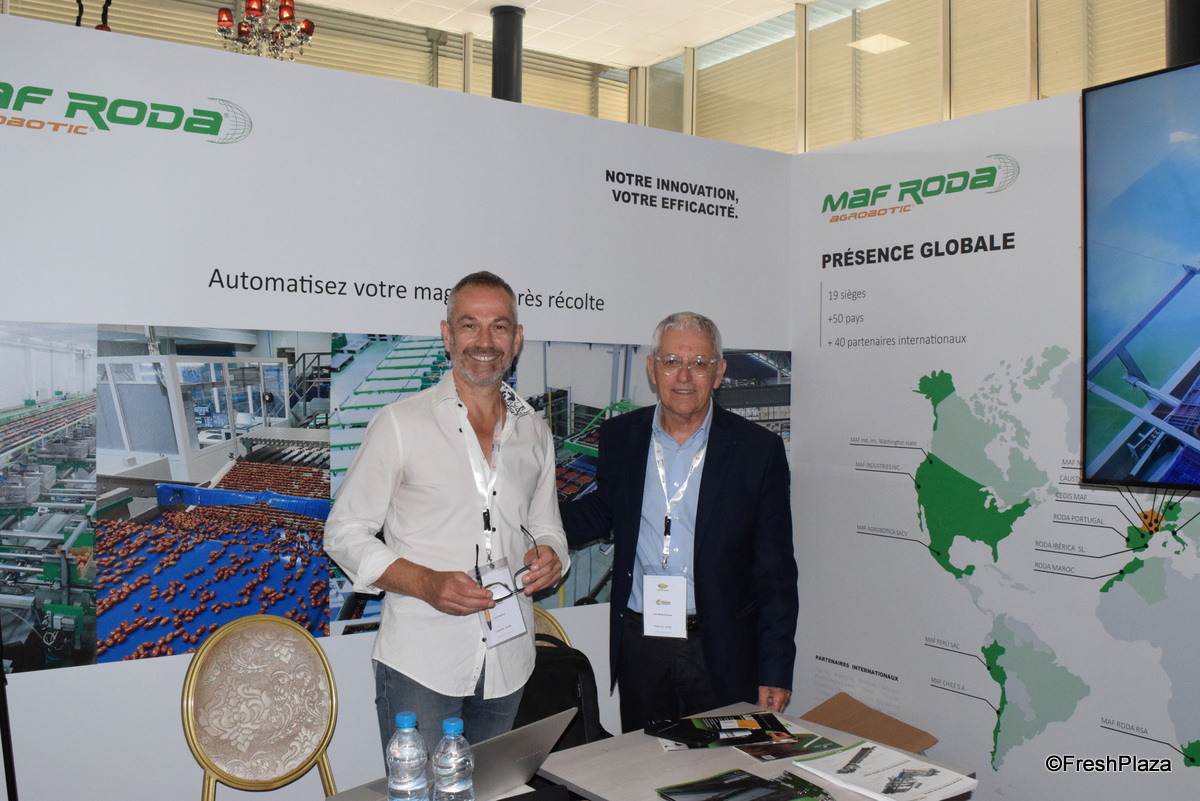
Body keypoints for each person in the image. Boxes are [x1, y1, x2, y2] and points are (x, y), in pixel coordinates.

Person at [324, 271, 569, 753]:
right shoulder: (399, 424)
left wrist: (551, 555)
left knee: (490, 785)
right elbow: (344, 532)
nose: (485, 341)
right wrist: (425, 583)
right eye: (470, 325)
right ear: (447, 335)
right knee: (422, 788)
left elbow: (547, 527)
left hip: (507, 658)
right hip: (422, 662)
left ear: (517, 338)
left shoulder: (534, 431)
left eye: (499, 326)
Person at [560, 311, 797, 732]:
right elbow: (601, 512)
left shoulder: (757, 451)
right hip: (642, 644)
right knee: (647, 758)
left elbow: (775, 570)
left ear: (718, 372)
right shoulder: (621, 437)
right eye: (671, 362)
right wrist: (533, 523)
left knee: (725, 762)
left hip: (721, 646)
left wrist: (775, 668)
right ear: (652, 369)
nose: (684, 376)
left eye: (699, 363)